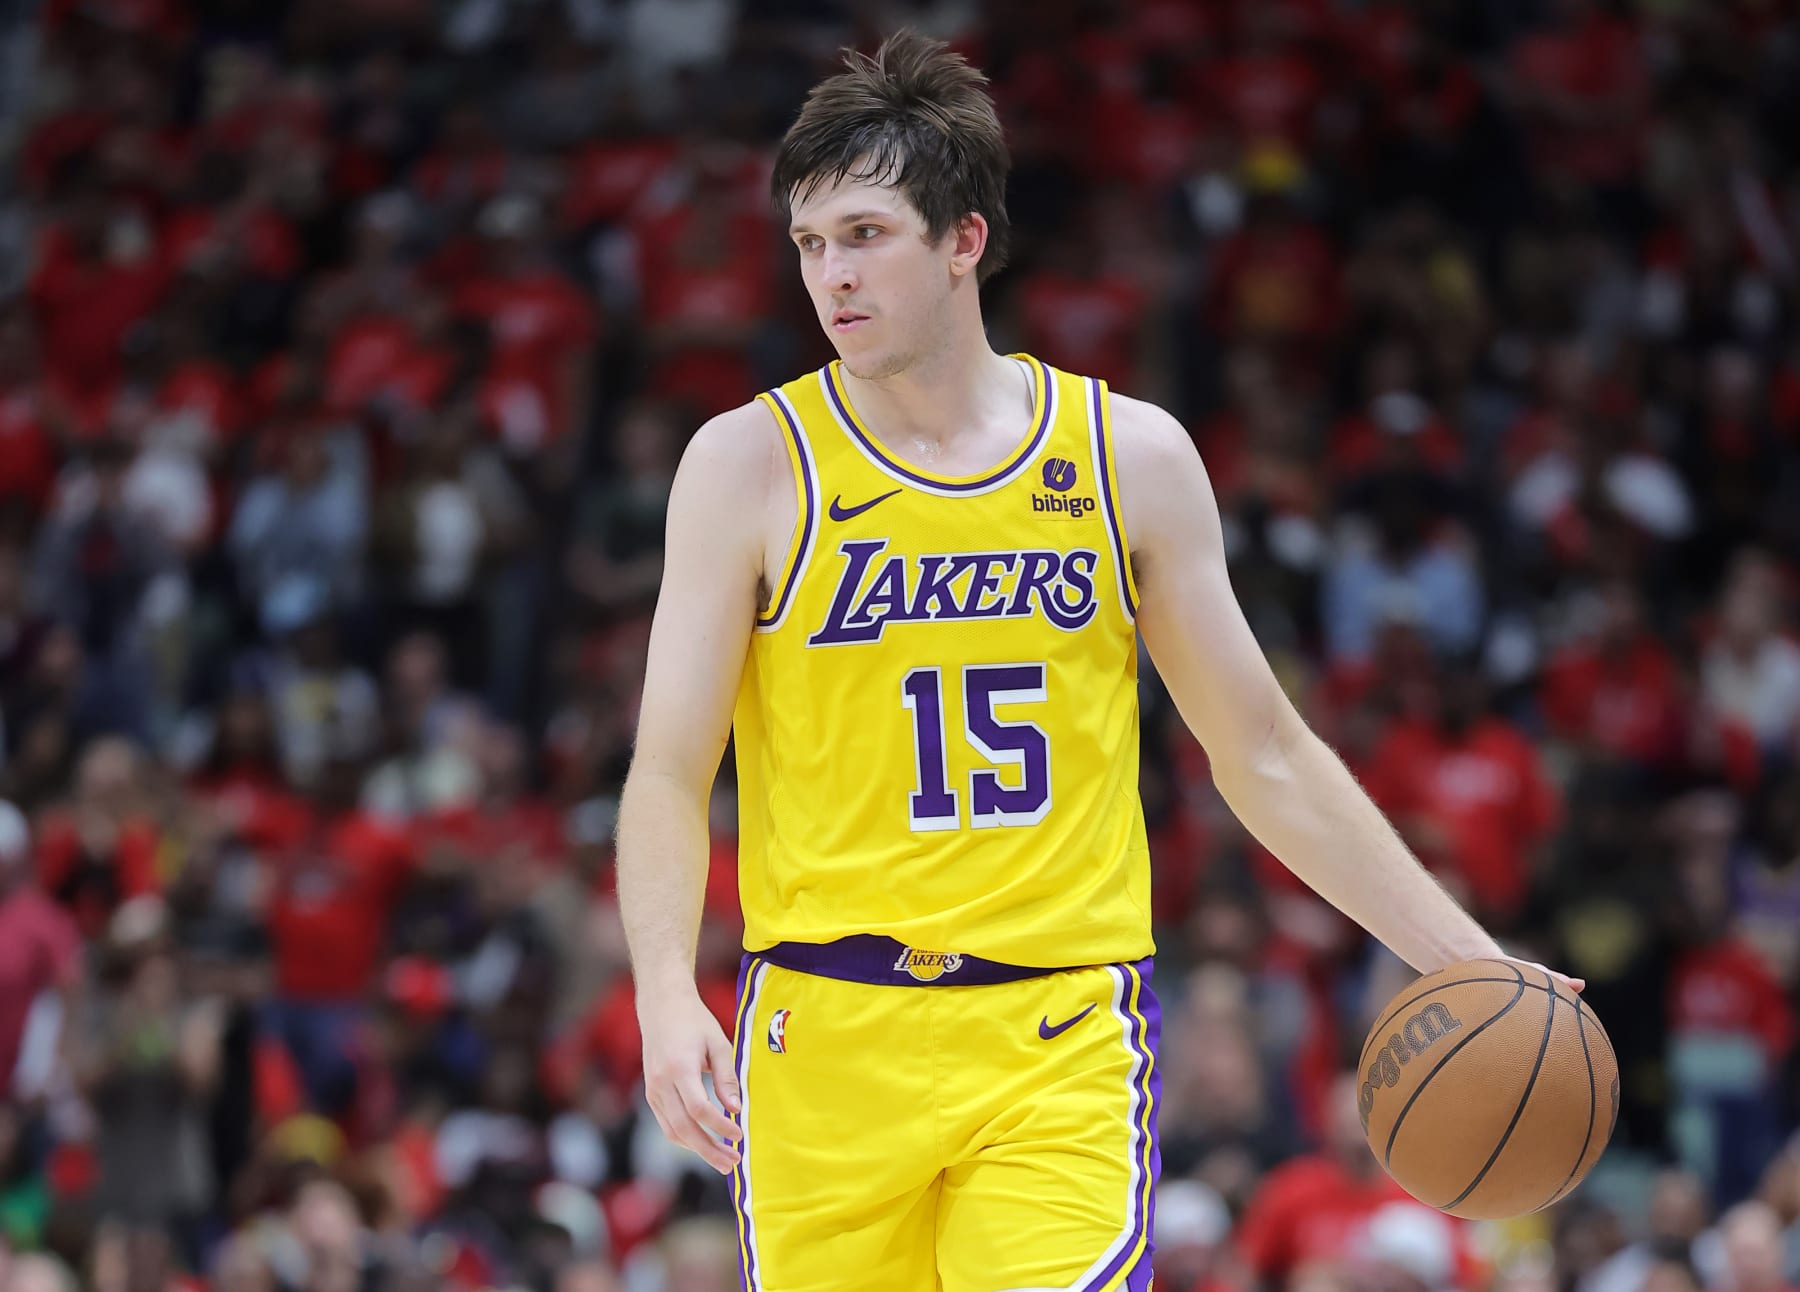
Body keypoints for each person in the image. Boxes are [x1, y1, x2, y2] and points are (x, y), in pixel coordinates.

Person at [616, 30, 1580, 1291]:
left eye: (864, 235)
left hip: (1056, 1031)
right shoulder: (747, 464)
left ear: (963, 239)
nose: (830, 275)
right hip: (825, 1033)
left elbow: (1265, 751)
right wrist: (663, 990)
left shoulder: (1129, 457)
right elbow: (669, 770)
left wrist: (1464, 953)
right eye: (808, 243)